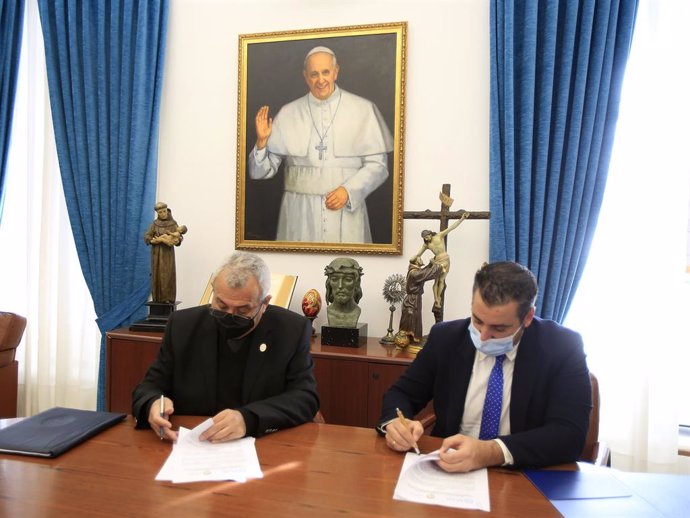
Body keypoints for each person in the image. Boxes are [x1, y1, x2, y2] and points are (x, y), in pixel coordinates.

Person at [376, 261, 591, 472]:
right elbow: (401, 393)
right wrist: (396, 424)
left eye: (499, 328)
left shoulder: (563, 348)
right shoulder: (446, 338)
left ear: (527, 318)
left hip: (523, 473)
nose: (483, 336)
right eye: (477, 320)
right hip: (449, 467)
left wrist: (489, 452)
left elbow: (569, 435)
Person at [132, 251, 320, 442]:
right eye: (221, 306)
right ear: (213, 291)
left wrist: (249, 418)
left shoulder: (290, 330)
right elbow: (149, 387)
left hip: (263, 445)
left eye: (242, 310)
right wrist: (153, 404)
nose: (230, 315)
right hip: (193, 444)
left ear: (264, 303)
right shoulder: (183, 325)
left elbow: (305, 397)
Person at [248, 46, 393, 243]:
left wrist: (349, 191)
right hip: (299, 212)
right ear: (306, 77)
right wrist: (262, 142)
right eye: (314, 74)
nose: (320, 80)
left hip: (346, 211)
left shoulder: (363, 109)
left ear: (336, 72)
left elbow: (379, 166)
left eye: (325, 72)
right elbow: (260, 172)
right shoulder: (289, 112)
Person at [410, 212, 469, 312]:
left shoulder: (439, 235)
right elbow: (419, 254)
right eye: (425, 238)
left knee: (441, 280)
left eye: (427, 236)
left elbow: (451, 228)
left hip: (445, 259)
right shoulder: (426, 245)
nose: (426, 239)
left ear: (430, 234)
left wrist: (461, 219)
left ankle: (438, 297)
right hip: (437, 261)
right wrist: (413, 258)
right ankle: (436, 299)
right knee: (436, 281)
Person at [394, 257, 442, 347]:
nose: (421, 258)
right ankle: (409, 338)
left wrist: (430, 265)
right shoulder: (414, 273)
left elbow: (423, 272)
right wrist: (437, 266)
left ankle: (414, 339)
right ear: (416, 261)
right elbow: (426, 274)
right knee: (411, 319)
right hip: (412, 300)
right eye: (419, 258)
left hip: (415, 299)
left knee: (415, 319)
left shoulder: (415, 271)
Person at [144, 202, 185, 303]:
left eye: (164, 211)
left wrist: (177, 240)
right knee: (157, 275)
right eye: (160, 212)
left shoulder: (173, 223)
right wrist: (152, 240)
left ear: (167, 210)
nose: (163, 213)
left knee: (167, 275)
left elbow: (179, 235)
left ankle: (168, 298)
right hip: (157, 254)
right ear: (157, 213)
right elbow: (147, 236)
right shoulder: (154, 224)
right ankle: (157, 298)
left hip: (168, 255)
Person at [324, 257, 363, 327]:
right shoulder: (329, 311)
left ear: (356, 283)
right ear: (329, 283)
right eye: (334, 279)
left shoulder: (356, 312)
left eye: (348, 280)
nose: (340, 286)